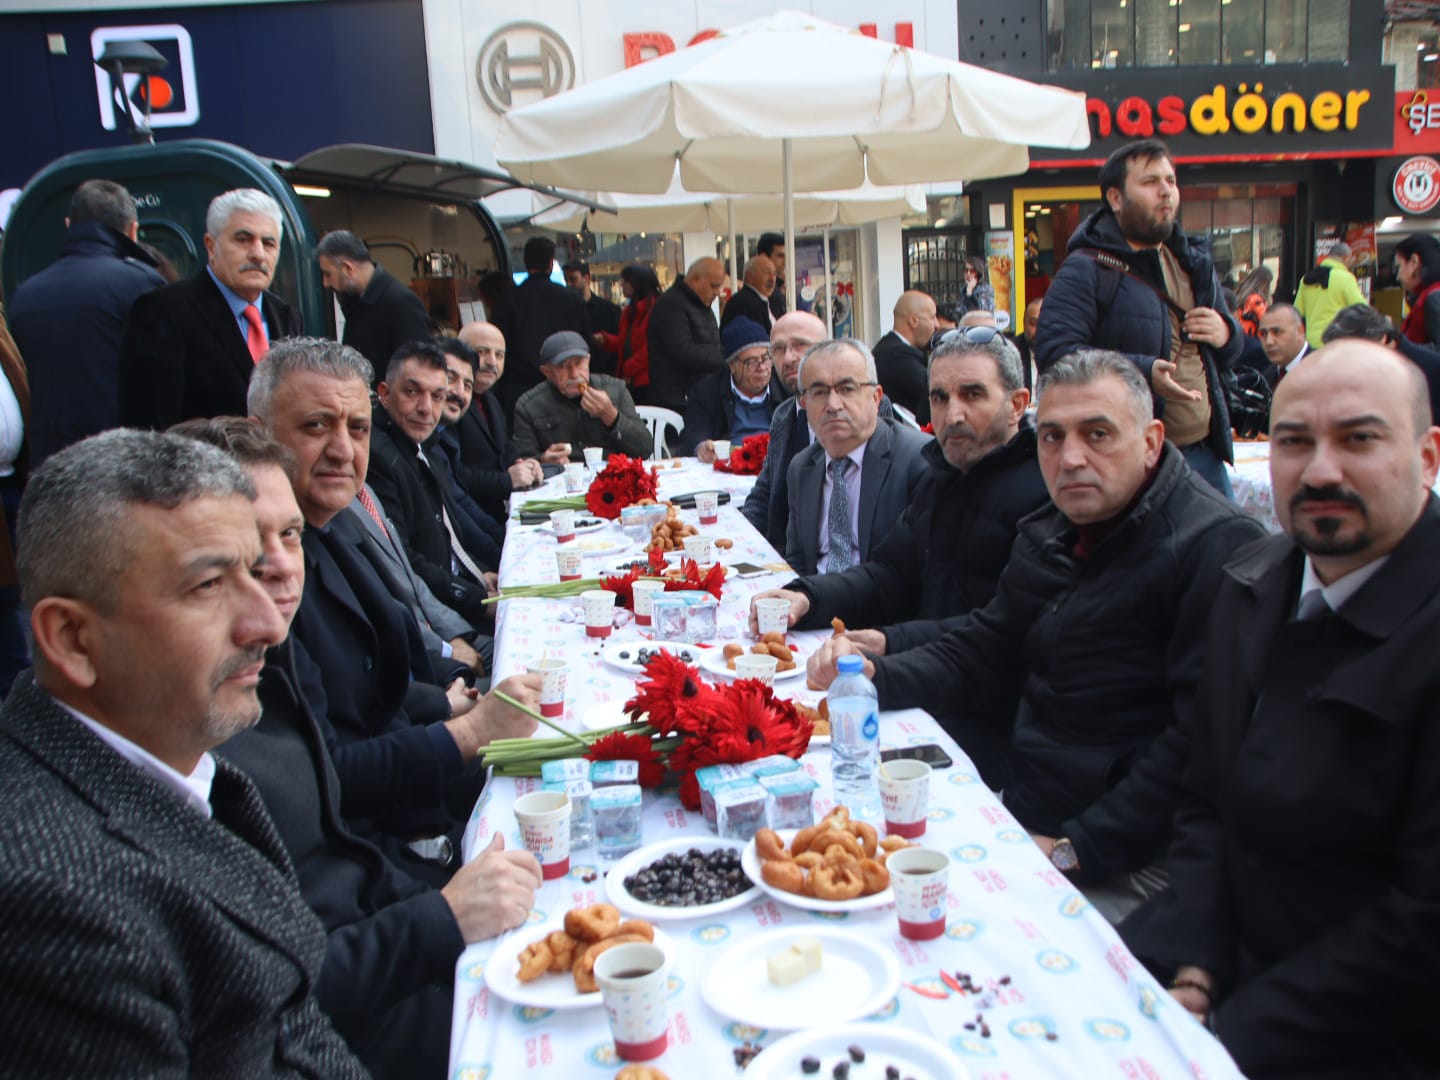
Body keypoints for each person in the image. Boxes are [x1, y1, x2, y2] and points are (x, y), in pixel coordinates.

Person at [821, 350, 1264, 921]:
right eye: (1052, 437)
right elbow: (986, 646)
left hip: (1137, 860)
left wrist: (1073, 849)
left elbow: (1196, 747)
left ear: (1152, 441)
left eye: (1097, 434)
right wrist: (874, 675)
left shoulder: (1213, 545)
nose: (1071, 457)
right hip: (1027, 810)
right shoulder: (1056, 525)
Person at [175, 417, 539, 1079]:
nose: (277, 578)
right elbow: (261, 1006)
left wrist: (442, 895)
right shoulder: (77, 846)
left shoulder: (256, 680)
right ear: (73, 636)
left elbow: (344, 854)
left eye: (288, 537)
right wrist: (441, 916)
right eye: (214, 575)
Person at [0, 428, 365, 1076]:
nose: (266, 623)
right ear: (73, 638)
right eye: (206, 587)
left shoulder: (169, 748)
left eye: (252, 569)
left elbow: (291, 1018)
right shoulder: (52, 905)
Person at [1120, 341, 1440, 1078]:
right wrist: (1197, 961)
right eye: (1295, 442)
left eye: (1359, 439)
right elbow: (1205, 801)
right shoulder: (1252, 585)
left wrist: (1230, 1029)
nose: (1321, 470)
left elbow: (1423, 925)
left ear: (1426, 458)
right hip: (1223, 953)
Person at [248, 339, 512, 883]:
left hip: (415, 761)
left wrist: (447, 693)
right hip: (380, 839)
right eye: (317, 426)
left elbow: (387, 654)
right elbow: (326, 772)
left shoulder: (337, 517)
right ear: (259, 433)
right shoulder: (262, 575)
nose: (344, 450)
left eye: (357, 428)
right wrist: (463, 730)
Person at [754, 326, 1048, 784]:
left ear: (1017, 404)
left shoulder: (1043, 492)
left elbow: (996, 634)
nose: (953, 414)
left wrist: (888, 651)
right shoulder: (944, 474)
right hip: (929, 692)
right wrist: (807, 597)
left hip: (995, 727)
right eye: (939, 398)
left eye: (972, 395)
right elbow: (890, 571)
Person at [1036, 139, 1243, 498]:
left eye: (1171, 181)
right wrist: (1143, 372)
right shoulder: (1087, 267)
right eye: (1150, 182)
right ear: (1115, 199)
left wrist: (1227, 333)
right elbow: (1056, 352)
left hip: (1205, 454)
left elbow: (1229, 352)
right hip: (1135, 459)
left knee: (1224, 552)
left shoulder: (1192, 261)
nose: (1166, 192)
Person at [7, 178, 165, 465]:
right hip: (124, 465)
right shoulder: (142, 282)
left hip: (51, 467)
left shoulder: (25, 295)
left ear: (69, 225)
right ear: (132, 229)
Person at [118, 188, 302, 430]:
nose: (258, 254)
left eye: (268, 243)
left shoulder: (286, 316)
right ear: (210, 245)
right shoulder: (163, 312)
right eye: (243, 239)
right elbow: (151, 426)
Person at [367, 341, 501, 628]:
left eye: (437, 396)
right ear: (385, 394)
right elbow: (405, 562)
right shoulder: (378, 456)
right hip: (438, 620)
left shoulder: (425, 442)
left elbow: (449, 531)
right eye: (412, 392)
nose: (426, 408)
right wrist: (474, 599)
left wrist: (477, 574)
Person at [783, 338, 931, 576]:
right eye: (819, 392)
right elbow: (797, 561)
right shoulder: (802, 467)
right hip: (814, 603)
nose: (833, 404)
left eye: (847, 389)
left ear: (876, 397)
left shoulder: (917, 461)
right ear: (804, 402)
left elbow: (914, 574)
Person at [741, 311, 829, 549]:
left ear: (828, 349)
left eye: (800, 345)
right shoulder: (784, 415)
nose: (788, 357)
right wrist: (738, 541)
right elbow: (764, 492)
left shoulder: (860, 408)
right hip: (783, 556)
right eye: (778, 349)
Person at [511, 330, 652, 464]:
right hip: (561, 481)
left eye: (579, 363)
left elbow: (644, 449)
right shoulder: (529, 405)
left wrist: (611, 416)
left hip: (611, 476)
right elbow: (523, 462)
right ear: (546, 372)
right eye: (563, 366)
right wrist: (543, 461)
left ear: (588, 361)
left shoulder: (614, 388)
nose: (574, 374)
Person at [490, 236, 590, 420]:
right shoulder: (571, 298)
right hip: (564, 384)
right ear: (551, 263)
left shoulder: (509, 298)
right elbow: (585, 341)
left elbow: (499, 340)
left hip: (519, 387)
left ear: (526, 262)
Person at [454, 321, 543, 519]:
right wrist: (506, 480)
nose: (492, 362)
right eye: (482, 352)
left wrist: (526, 464)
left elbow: (502, 447)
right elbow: (452, 475)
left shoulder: (490, 399)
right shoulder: (450, 403)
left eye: (499, 355)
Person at [315, 230, 431, 381]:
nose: (325, 283)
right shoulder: (356, 302)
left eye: (328, 274)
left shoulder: (402, 303)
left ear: (347, 268)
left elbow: (418, 373)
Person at [680, 316, 781, 460]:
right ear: (732, 365)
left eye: (766, 358)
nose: (762, 367)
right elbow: (694, 431)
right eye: (751, 362)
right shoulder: (708, 391)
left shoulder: (785, 388)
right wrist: (702, 446)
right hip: (729, 466)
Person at [646, 256, 726, 412]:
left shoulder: (699, 303)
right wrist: (726, 356)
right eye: (714, 286)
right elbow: (683, 351)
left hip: (696, 394)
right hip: (677, 400)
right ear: (695, 279)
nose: (717, 293)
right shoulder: (671, 305)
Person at [595, 263, 661, 401]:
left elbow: (650, 347)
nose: (621, 284)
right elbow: (625, 342)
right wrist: (606, 340)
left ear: (635, 283)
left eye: (624, 281)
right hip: (631, 381)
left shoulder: (655, 310)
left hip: (648, 383)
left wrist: (628, 368)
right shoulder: (630, 311)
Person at [872, 290, 938, 426]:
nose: (937, 325)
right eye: (932, 317)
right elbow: (935, 389)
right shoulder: (895, 355)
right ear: (913, 321)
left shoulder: (890, 349)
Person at [1293, 241, 1366, 349]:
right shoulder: (1345, 277)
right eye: (1351, 259)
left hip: (1311, 342)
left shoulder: (1306, 278)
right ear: (1345, 257)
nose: (1351, 262)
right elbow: (1361, 309)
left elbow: (1297, 311)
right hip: (1336, 341)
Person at [563, 260, 622, 375]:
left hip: (606, 373)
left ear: (586, 278)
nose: (569, 284)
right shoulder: (564, 311)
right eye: (566, 280)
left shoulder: (609, 310)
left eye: (573, 279)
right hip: (576, 373)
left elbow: (620, 343)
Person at [1393, 233, 1440, 347]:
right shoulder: (1427, 296)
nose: (1398, 276)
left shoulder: (1433, 298)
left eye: (1399, 266)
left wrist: (1401, 345)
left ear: (1414, 262)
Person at [1256, 302, 1308, 386]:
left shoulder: (1323, 370)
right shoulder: (1264, 378)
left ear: (1300, 331)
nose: (1269, 341)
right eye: (1263, 333)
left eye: (1277, 332)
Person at [721, 254, 778, 329]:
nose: (772, 279)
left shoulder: (759, 300)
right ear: (749, 276)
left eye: (774, 274)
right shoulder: (745, 303)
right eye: (767, 272)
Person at [1012, 297, 1043, 393]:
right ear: (1024, 324)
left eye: (1043, 323)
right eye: (1033, 323)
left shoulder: (1061, 352)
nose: (1038, 330)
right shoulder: (1012, 351)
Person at [1234, 265, 1273, 338]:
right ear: (1264, 283)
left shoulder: (1242, 294)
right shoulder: (1256, 300)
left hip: (1242, 335)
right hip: (1253, 335)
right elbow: (1266, 319)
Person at [758, 232, 788, 320]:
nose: (785, 262)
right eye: (780, 256)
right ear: (764, 257)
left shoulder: (776, 288)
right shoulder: (764, 290)